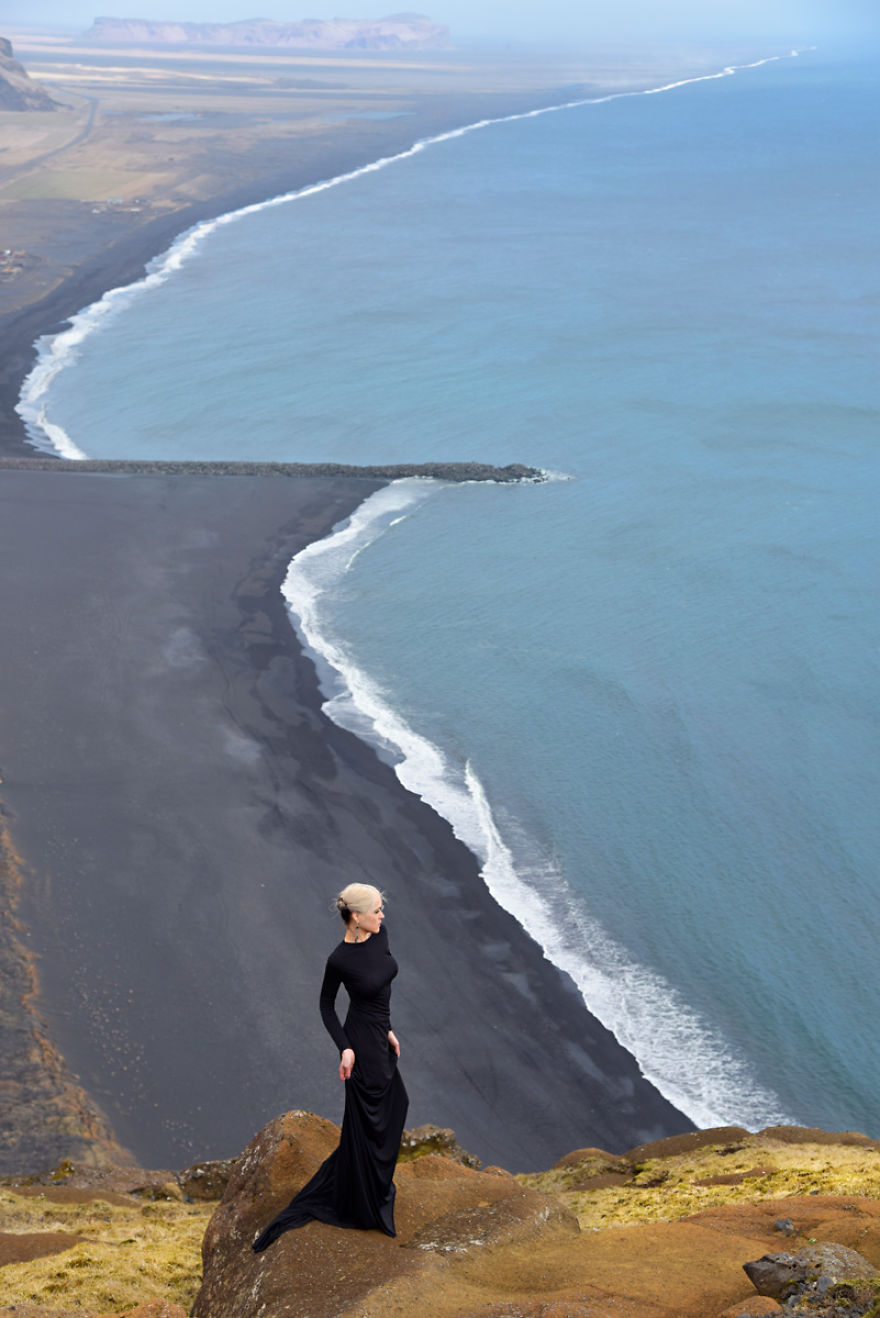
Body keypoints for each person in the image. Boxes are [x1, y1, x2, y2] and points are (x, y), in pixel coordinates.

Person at [252, 883, 408, 1250]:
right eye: (376, 911)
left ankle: (373, 1184)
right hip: (359, 1046)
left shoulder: (380, 935)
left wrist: (387, 1028)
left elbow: (383, 984)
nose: (382, 916)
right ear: (356, 916)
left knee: (396, 1106)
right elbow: (326, 1006)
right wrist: (345, 1048)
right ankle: (364, 1203)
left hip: (378, 1037)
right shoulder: (339, 960)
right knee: (368, 1121)